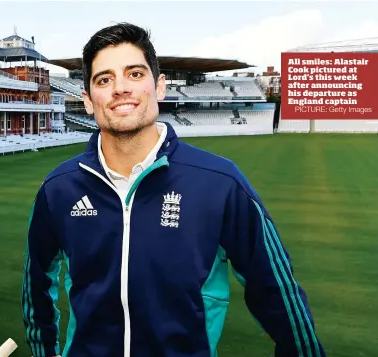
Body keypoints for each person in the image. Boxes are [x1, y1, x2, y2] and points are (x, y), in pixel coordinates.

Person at [21, 22, 325, 357]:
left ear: (160, 86)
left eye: (135, 74)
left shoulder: (221, 182)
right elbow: (37, 288)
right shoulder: (58, 188)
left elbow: (277, 292)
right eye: (104, 79)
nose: (120, 88)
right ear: (89, 100)